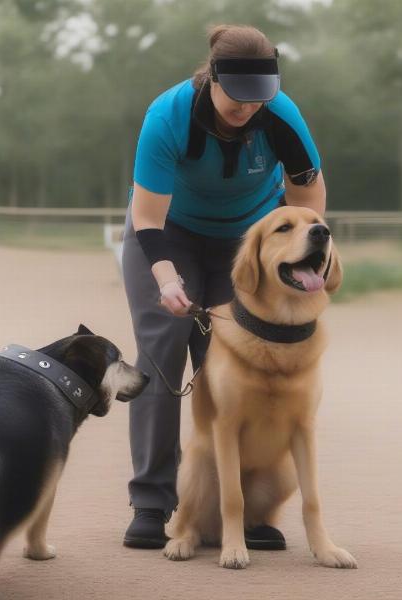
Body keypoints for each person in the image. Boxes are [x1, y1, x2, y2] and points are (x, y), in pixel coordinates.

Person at [121, 24, 326, 549]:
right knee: (163, 352)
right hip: (170, 232)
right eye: (237, 96)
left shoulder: (281, 116)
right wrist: (166, 280)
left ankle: (246, 507)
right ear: (212, 77)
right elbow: (147, 218)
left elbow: (307, 203)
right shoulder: (168, 116)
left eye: (259, 99)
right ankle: (151, 501)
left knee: (234, 361)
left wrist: (295, 260)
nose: (247, 108)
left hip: (247, 236)